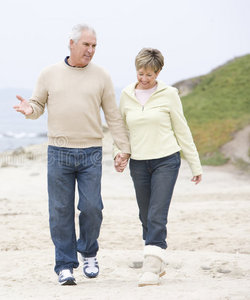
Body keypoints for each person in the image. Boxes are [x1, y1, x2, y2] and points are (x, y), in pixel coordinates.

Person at [13, 24, 131, 285]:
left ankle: (89, 252)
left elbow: (112, 115)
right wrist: (28, 110)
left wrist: (123, 148)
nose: (90, 50)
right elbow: (37, 106)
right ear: (72, 44)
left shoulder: (102, 76)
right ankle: (65, 265)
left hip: (91, 153)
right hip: (59, 152)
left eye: (94, 46)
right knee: (60, 211)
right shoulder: (49, 74)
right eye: (86, 45)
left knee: (92, 208)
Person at [113, 48, 202, 287]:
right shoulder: (126, 94)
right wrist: (119, 154)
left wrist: (195, 165)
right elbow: (121, 130)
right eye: (140, 73)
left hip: (166, 160)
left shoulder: (169, 94)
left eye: (149, 75)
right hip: (139, 163)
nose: (144, 79)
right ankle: (157, 258)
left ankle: (151, 268)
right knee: (145, 215)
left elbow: (182, 130)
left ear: (159, 72)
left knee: (156, 214)